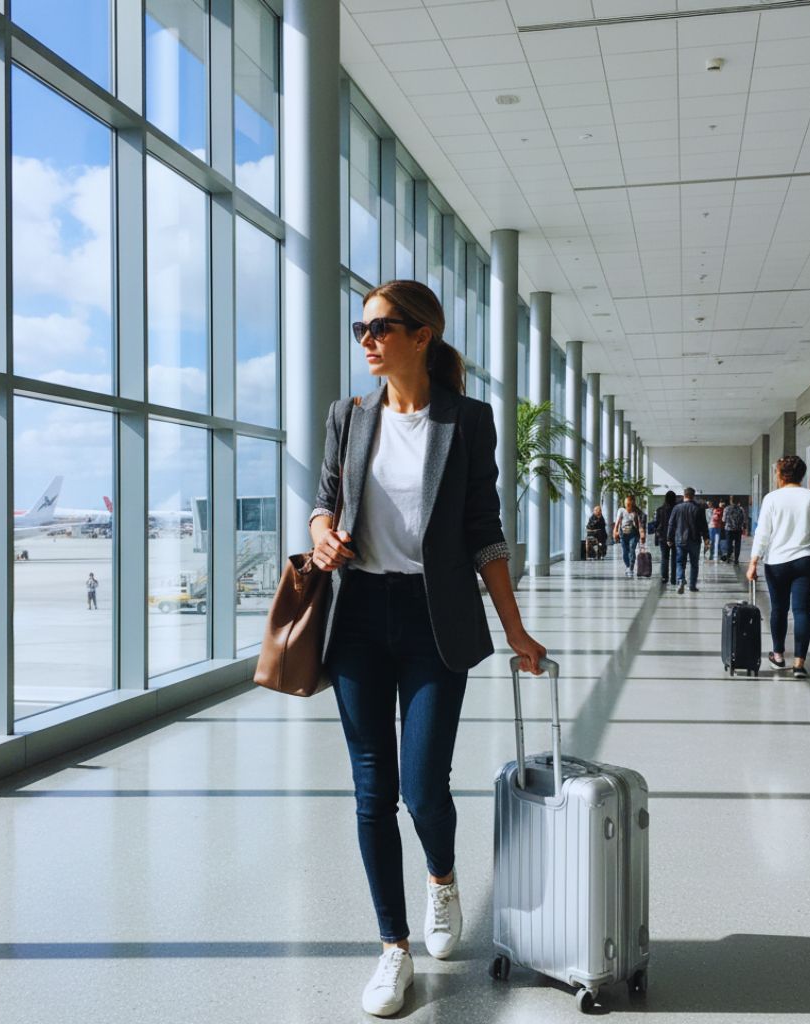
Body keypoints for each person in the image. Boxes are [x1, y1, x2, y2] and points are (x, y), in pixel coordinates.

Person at [309, 280, 546, 1018]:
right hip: (357, 619)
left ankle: (441, 880)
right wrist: (321, 534)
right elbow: (323, 499)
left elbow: (485, 530)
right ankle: (393, 948)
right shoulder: (347, 416)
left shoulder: (466, 420)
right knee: (372, 793)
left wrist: (514, 629)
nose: (367, 340)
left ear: (423, 335)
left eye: (381, 327)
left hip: (433, 620)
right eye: (362, 328)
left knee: (422, 789)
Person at [746, 455, 810, 679]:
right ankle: (799, 663)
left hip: (777, 562)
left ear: (781, 474)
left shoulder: (772, 498)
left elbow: (763, 533)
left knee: (779, 609)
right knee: (802, 611)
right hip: (807, 560)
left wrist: (753, 562)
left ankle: (778, 656)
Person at [667, 486, 707, 594]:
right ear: (693, 496)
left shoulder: (677, 508)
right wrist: (706, 539)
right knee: (694, 563)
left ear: (684, 495)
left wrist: (669, 538)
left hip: (680, 540)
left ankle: (680, 580)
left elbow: (671, 524)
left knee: (680, 562)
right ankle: (692, 585)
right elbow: (704, 526)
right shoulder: (699, 508)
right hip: (695, 540)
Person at [612, 494, 646, 578]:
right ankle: (627, 566)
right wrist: (615, 531)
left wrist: (642, 534)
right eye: (626, 504)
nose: (627, 506)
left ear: (632, 504)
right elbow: (617, 522)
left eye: (629, 504)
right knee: (625, 552)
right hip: (623, 534)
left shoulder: (636, 512)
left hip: (633, 534)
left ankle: (631, 568)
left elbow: (640, 525)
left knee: (631, 549)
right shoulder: (621, 510)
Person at [652, 490, 677, 585]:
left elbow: (656, 524)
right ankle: (674, 578)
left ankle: (664, 577)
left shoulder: (660, 510)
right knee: (674, 557)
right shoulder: (677, 509)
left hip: (663, 537)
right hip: (674, 537)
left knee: (664, 557)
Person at [722, 497, 747, 566]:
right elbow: (744, 519)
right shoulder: (741, 509)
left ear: (731, 501)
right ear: (738, 501)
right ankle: (736, 560)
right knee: (737, 545)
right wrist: (743, 527)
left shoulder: (727, 509)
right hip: (738, 530)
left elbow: (723, 520)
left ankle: (728, 558)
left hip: (729, 530)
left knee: (729, 544)